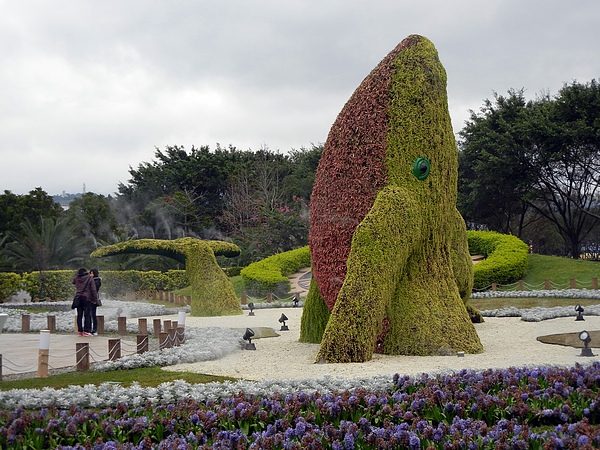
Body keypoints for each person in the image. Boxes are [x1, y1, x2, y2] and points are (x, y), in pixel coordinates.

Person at [72, 268, 98, 336]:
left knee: (79, 315)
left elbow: (73, 282)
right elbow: (93, 290)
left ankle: (80, 331)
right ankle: (87, 330)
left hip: (78, 298)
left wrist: (76, 275)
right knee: (87, 315)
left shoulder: (76, 278)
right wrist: (95, 299)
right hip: (87, 299)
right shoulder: (89, 278)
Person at [89, 268, 102, 335]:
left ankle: (94, 329)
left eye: (92, 273)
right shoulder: (91, 280)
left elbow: (94, 290)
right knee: (89, 315)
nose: (90, 275)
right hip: (89, 299)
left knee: (93, 315)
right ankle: (89, 329)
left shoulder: (97, 281)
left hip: (93, 299)